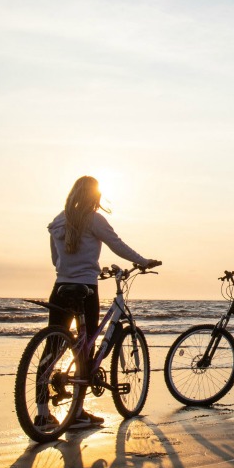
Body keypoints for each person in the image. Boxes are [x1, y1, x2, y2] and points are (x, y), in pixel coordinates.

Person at [44, 176, 161, 428]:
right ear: (95, 196)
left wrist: (69, 268)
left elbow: (55, 260)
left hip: (61, 287)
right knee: (86, 345)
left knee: (53, 347)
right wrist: (142, 261)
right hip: (86, 288)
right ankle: (76, 414)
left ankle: (42, 413)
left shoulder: (58, 221)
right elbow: (117, 245)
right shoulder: (94, 219)